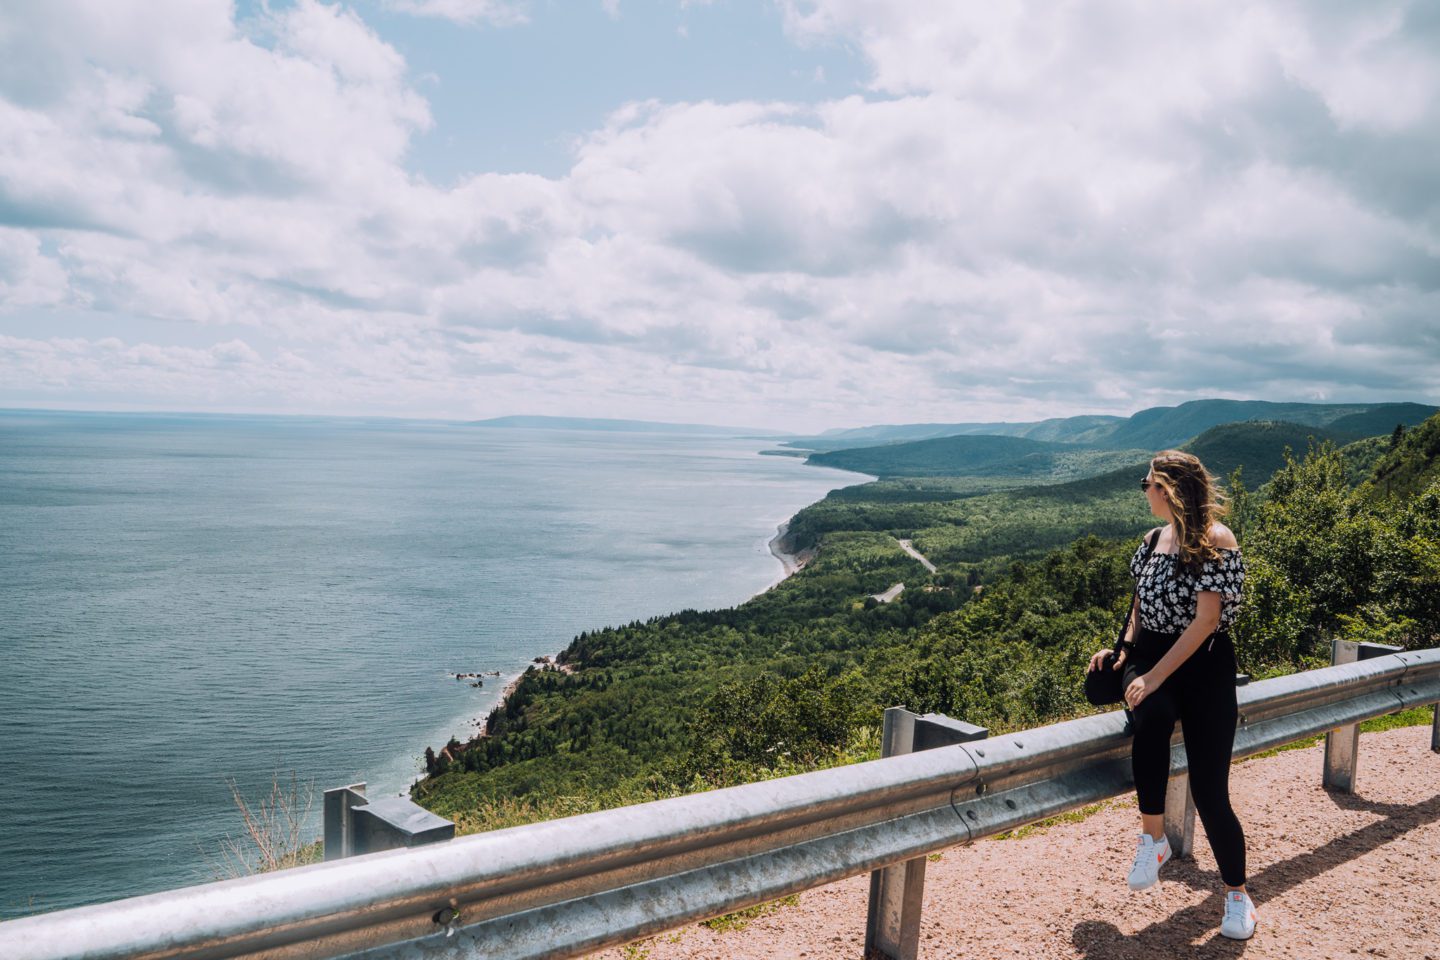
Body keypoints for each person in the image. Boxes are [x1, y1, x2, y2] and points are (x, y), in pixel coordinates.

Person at [1087, 449, 1257, 940]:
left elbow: (1206, 621)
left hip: (1203, 665)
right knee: (1151, 713)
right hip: (1151, 657)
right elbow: (1139, 605)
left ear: (1170, 488)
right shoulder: (1152, 539)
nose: (1144, 492)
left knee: (1210, 792)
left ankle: (1237, 896)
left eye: (1148, 484)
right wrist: (1121, 652)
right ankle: (1152, 838)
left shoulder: (1216, 540)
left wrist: (1157, 674)